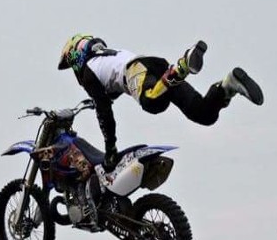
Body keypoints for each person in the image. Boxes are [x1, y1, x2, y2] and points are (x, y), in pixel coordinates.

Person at [57, 33, 264, 171]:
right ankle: (228, 85)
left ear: (76, 55)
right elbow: (112, 89)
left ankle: (182, 67)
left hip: (137, 71)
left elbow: (104, 113)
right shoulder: (106, 58)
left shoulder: (88, 72)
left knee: (151, 102)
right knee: (204, 114)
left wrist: (110, 149)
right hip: (156, 67)